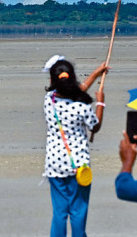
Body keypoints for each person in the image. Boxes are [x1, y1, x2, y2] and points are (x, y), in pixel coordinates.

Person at [42, 55, 107, 237]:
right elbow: (95, 126)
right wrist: (100, 102)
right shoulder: (81, 106)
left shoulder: (49, 101)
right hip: (79, 166)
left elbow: (77, 90)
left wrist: (96, 74)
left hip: (54, 165)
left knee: (60, 213)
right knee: (78, 212)